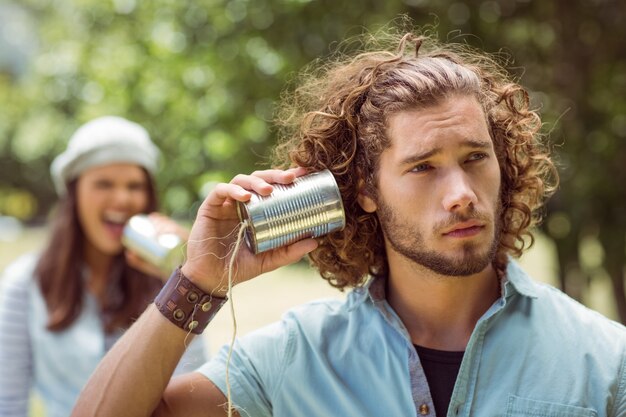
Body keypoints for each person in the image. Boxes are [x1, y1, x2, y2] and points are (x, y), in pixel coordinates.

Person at [72, 29, 625, 417]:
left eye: (476, 158)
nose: (461, 195)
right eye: (423, 167)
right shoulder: (296, 356)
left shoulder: (604, 359)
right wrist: (199, 283)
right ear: (364, 191)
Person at [0, 116, 207, 417]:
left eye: (134, 185)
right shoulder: (25, 283)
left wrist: (184, 286)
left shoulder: (166, 278)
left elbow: (192, 389)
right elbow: (7, 404)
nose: (122, 198)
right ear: (73, 194)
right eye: (104, 184)